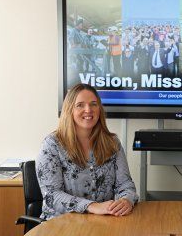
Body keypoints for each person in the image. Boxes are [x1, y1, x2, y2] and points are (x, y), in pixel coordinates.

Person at [36, 84, 138, 220]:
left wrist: (126, 200)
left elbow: (125, 184)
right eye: (80, 105)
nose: (88, 110)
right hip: (60, 224)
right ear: (69, 110)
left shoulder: (112, 142)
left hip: (101, 222)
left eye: (93, 104)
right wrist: (93, 206)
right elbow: (51, 195)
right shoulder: (52, 144)